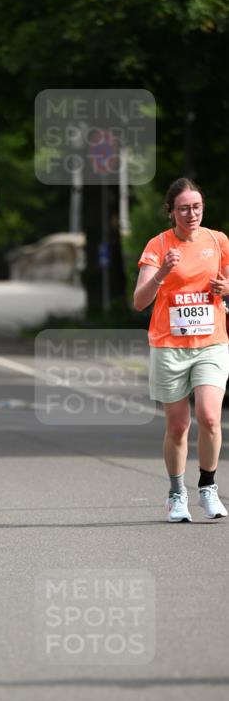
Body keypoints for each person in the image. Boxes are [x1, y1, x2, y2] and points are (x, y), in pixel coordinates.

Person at [134, 177, 229, 522]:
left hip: (211, 343)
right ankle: (176, 493)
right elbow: (139, 300)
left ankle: (207, 487)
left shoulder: (218, 241)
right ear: (171, 212)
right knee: (177, 427)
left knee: (209, 417)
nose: (192, 214)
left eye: (197, 207)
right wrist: (162, 272)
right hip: (170, 346)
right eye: (184, 208)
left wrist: (227, 287)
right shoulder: (158, 245)